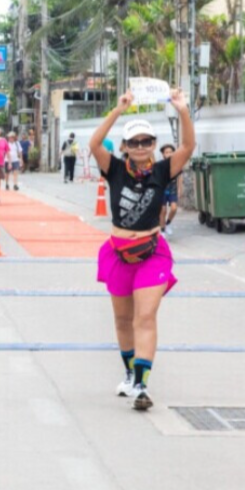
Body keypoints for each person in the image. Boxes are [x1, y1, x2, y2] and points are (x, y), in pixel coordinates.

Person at [89, 89, 194, 412]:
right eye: (133, 142)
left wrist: (183, 111)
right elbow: (94, 144)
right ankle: (128, 373)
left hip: (152, 252)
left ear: (153, 144)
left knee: (145, 316)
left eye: (146, 141)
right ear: (124, 146)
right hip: (118, 253)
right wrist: (118, 110)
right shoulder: (115, 169)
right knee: (123, 319)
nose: (140, 147)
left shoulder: (163, 170)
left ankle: (141, 383)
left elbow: (188, 147)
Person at [159, 144, 180, 236]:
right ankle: (162, 230)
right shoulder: (160, 165)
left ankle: (168, 224)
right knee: (163, 211)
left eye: (171, 152)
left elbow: (180, 178)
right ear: (163, 154)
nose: (169, 154)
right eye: (167, 152)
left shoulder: (177, 164)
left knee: (174, 208)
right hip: (162, 190)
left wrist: (179, 190)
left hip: (172, 190)